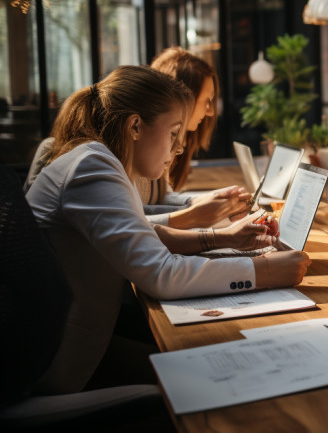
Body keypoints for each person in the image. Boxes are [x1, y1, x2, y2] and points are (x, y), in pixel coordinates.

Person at [26, 66, 310, 394]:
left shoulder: (99, 160)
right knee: (224, 383)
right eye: (174, 133)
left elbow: (142, 231)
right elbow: (161, 275)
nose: (177, 148)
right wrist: (263, 271)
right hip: (57, 367)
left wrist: (223, 238)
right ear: (135, 126)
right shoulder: (92, 167)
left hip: (68, 346)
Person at [147, 47, 250, 228]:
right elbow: (139, 220)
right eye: (206, 101)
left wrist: (210, 200)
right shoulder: (146, 149)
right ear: (182, 97)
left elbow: (160, 198)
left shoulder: (175, 142)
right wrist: (199, 214)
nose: (210, 111)